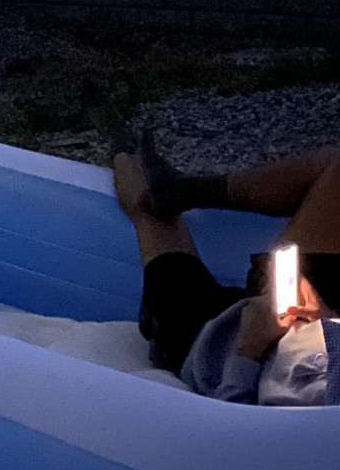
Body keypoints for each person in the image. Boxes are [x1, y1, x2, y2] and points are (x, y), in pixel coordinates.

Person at [111, 127, 340, 405]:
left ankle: (120, 145)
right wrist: (321, 315)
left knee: (152, 220)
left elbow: (240, 433)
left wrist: (249, 349)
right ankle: (181, 190)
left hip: (209, 348)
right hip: (300, 318)